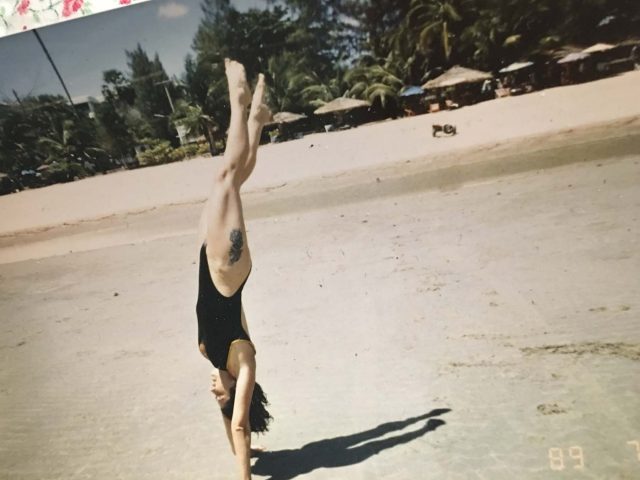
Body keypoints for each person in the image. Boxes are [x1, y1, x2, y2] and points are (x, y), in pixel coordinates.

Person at [196, 59, 273, 480]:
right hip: (228, 271)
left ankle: (257, 118)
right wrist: (244, 473)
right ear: (236, 394)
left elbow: (233, 429)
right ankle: (238, 100)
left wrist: (233, 428)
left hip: (207, 264)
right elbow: (240, 424)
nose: (213, 390)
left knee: (229, 181)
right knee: (225, 176)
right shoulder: (243, 361)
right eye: (221, 397)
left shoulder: (209, 354)